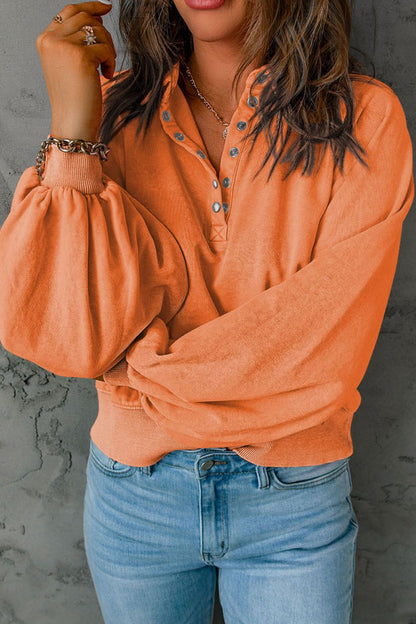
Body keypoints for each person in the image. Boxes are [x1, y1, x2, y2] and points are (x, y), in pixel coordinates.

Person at [0, 0, 413, 622]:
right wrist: (74, 126)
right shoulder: (110, 117)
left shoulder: (363, 118)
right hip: (135, 501)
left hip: (292, 504)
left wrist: (138, 369)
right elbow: (63, 334)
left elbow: (324, 352)